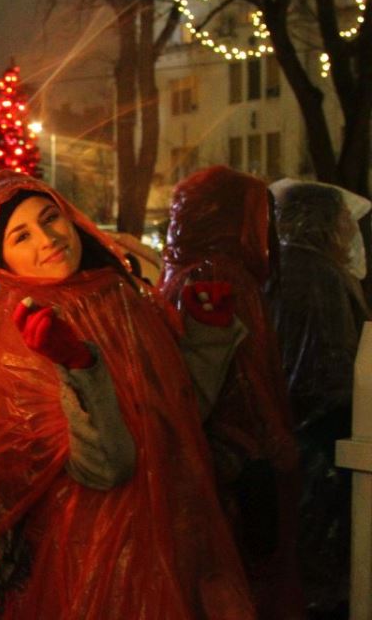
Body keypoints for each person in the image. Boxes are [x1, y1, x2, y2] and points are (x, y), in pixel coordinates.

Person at [0, 171, 255, 619]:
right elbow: (106, 467)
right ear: (0, 256)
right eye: (22, 235)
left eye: (50, 218)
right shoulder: (16, 331)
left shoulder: (120, 293)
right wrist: (81, 372)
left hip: (176, 536)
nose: (47, 240)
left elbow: (178, 415)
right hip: (95, 553)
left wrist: (207, 339)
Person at [161, 166, 303, 619]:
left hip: (214, 454)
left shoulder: (186, 273)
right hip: (235, 459)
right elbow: (244, 372)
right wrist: (272, 440)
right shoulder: (219, 277)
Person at [267, 179, 371, 618]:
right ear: (324, 222)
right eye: (344, 222)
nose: (351, 232)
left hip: (286, 440)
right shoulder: (321, 276)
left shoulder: (278, 267)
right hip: (323, 449)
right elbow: (329, 375)